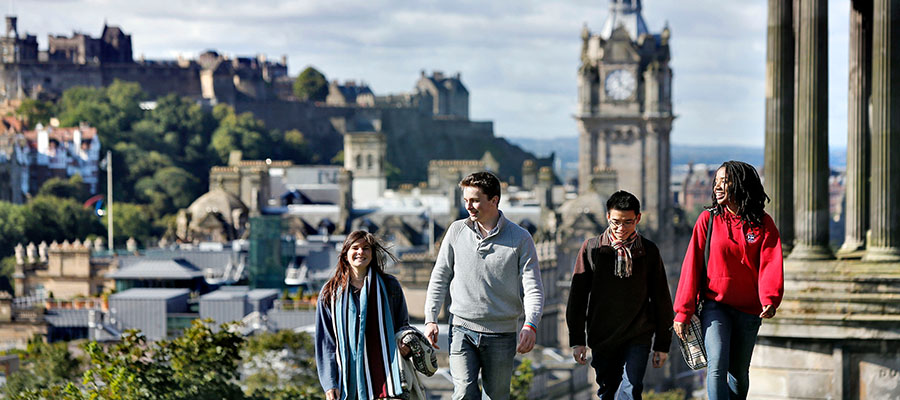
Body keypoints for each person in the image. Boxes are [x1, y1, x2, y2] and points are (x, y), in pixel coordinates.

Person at [424, 171, 544, 400]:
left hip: (501, 333)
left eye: (475, 200)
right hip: (461, 328)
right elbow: (439, 276)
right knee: (463, 393)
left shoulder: (520, 238)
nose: (468, 206)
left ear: (494, 200)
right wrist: (430, 318)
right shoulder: (456, 231)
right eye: (466, 200)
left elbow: (533, 287)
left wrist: (531, 324)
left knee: (496, 397)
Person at [672, 161, 784, 400]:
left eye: (726, 181)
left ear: (741, 185)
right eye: (717, 182)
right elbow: (692, 266)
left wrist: (770, 298)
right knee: (717, 364)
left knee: (738, 373)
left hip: (749, 308)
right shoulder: (708, 220)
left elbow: (770, 263)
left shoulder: (763, 224)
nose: (718, 187)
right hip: (715, 305)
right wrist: (683, 311)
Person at [565, 190, 674, 400]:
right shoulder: (592, 249)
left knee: (630, 390)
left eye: (628, 222)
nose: (621, 228)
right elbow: (577, 297)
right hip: (602, 337)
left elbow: (661, 299)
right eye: (615, 222)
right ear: (607, 217)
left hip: (638, 336)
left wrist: (662, 344)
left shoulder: (649, 251)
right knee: (608, 392)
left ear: (638, 218)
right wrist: (577, 340)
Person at [316, 231, 410, 400]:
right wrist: (330, 383)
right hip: (347, 381)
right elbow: (326, 342)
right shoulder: (329, 292)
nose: (361, 252)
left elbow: (403, 324)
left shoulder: (390, 286)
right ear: (345, 254)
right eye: (355, 248)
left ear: (372, 254)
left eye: (366, 248)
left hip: (386, 378)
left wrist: (405, 342)